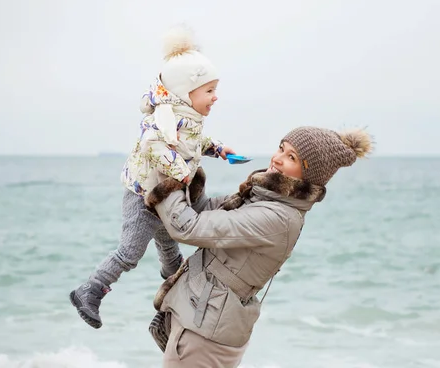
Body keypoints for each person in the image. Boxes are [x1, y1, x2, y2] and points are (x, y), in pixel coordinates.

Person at [144, 126, 373, 367]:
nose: (277, 158)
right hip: (198, 318)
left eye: (291, 157)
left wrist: (165, 173)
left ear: (308, 176)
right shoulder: (263, 198)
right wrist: (184, 163)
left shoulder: (279, 217)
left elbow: (187, 227)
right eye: (281, 149)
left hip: (204, 334)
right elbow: (203, 212)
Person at [70, 26, 234, 329]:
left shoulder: (187, 118)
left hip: (164, 195)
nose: (215, 97)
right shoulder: (163, 118)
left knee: (170, 251)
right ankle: (89, 290)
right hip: (143, 195)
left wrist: (216, 148)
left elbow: (192, 141)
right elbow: (152, 144)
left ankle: (176, 298)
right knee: (130, 252)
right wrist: (182, 171)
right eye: (209, 91)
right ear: (187, 92)